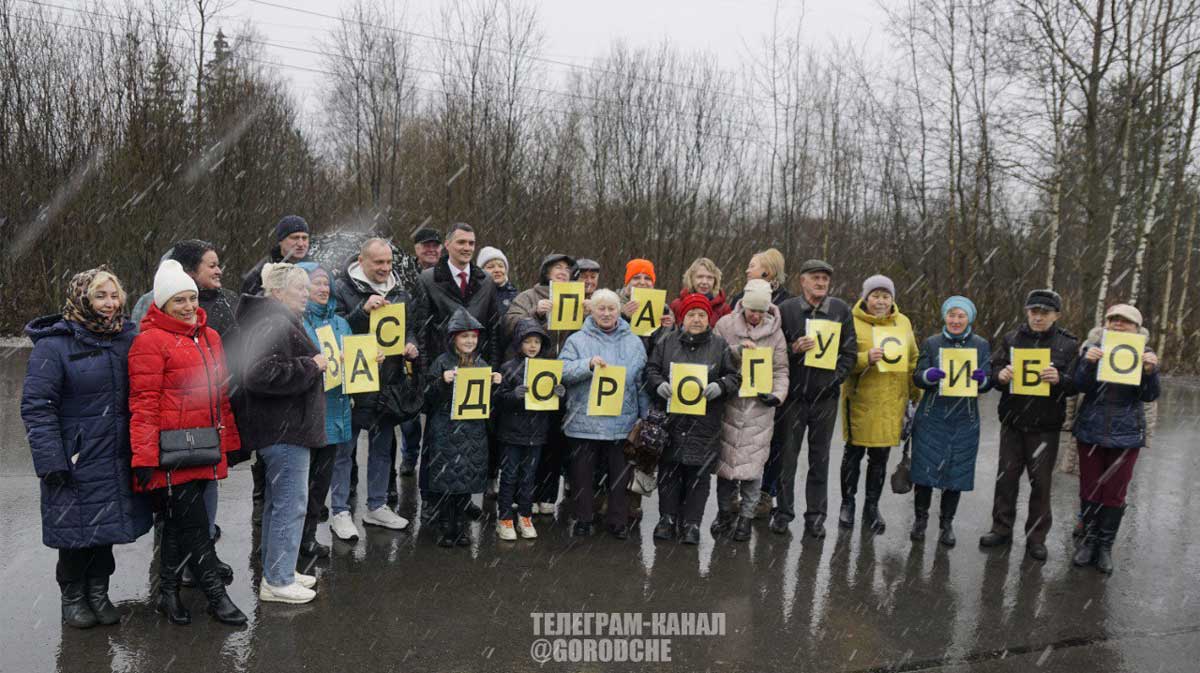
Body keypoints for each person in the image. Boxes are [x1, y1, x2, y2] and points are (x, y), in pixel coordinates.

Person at [21, 267, 153, 629]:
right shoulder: (54, 345)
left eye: (114, 295)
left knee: (105, 530)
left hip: (116, 454)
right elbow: (37, 406)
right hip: (75, 457)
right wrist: (51, 459)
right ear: (82, 298)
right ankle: (73, 597)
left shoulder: (127, 338)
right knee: (74, 534)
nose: (110, 304)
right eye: (100, 296)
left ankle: (99, 592)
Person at [128, 260, 246, 625]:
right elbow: (144, 403)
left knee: (178, 526)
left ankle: (167, 593)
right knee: (196, 527)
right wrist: (144, 457)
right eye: (178, 300)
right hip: (171, 453)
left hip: (205, 446)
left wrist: (229, 442)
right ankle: (216, 596)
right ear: (162, 303)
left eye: (192, 298)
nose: (188, 306)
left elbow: (220, 397)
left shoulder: (210, 337)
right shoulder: (149, 342)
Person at [231, 263, 327, 604]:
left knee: (280, 504)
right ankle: (278, 580)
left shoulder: (275, 319)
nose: (306, 294)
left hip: (284, 430)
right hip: (284, 431)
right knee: (289, 504)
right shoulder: (273, 321)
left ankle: (279, 568)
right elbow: (258, 373)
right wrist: (311, 365)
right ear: (277, 292)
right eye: (299, 288)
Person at [979, 289, 1079, 561]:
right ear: (1027, 312)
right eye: (1034, 311)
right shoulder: (1011, 338)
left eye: (1045, 313)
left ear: (1056, 315)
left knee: (1041, 484)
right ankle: (1001, 529)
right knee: (1006, 479)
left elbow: (1077, 384)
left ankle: (1036, 538)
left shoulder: (1068, 344)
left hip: (1045, 426)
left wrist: (1060, 379)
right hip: (1013, 422)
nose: (1038, 317)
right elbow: (992, 372)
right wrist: (1000, 375)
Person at [333, 237, 423, 532]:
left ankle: (377, 506)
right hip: (355, 382)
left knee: (382, 449)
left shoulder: (401, 293)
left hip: (389, 384)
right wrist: (362, 312)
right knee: (344, 451)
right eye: (379, 262)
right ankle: (340, 511)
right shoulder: (342, 289)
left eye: (389, 262)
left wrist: (411, 345)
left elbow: (409, 328)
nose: (385, 268)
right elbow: (335, 330)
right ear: (362, 261)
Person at [770, 259, 857, 539]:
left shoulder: (840, 310)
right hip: (793, 398)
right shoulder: (787, 310)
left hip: (825, 400)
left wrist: (834, 380)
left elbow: (850, 353)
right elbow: (774, 352)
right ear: (802, 280)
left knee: (820, 460)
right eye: (816, 278)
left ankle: (816, 516)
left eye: (825, 279)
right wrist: (794, 349)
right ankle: (783, 513)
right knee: (787, 459)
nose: (821, 283)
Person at [1071, 304, 1160, 574]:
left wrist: (1150, 372)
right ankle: (1088, 541)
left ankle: (1105, 546)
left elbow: (1149, 395)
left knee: (1115, 492)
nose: (1118, 325)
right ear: (1106, 323)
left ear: (1137, 328)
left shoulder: (1144, 353)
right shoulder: (1091, 348)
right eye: (1113, 320)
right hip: (1091, 429)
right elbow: (1078, 386)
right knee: (1090, 488)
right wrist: (1087, 364)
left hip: (1126, 434)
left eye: (1125, 321)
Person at [645, 293, 741, 545]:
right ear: (682, 318)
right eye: (691, 315)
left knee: (698, 477)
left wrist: (721, 386)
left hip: (705, 423)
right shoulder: (666, 342)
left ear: (708, 319)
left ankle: (692, 523)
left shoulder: (719, 345)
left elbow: (734, 377)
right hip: (671, 421)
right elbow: (651, 370)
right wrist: (658, 384)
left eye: (701, 315)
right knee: (669, 473)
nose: (696, 319)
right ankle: (667, 519)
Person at [559, 289, 650, 538]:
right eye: (601, 308)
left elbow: (641, 383)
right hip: (584, 420)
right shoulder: (576, 340)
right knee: (582, 475)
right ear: (592, 311)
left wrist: (645, 416)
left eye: (611, 309)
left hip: (622, 420)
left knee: (620, 476)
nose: (607, 313)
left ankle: (618, 521)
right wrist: (587, 364)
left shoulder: (634, 342)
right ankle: (583, 518)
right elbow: (562, 371)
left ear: (619, 311)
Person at [838, 275, 920, 535]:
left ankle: (871, 507)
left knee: (880, 459)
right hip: (861, 400)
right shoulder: (851, 322)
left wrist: (916, 392)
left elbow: (913, 358)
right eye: (875, 296)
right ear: (865, 298)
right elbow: (841, 360)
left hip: (892, 402)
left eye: (886, 296)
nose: (881, 301)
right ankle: (848, 503)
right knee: (853, 455)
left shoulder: (903, 322)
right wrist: (865, 358)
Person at [909, 296, 993, 548]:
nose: (956, 320)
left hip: (964, 418)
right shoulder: (932, 343)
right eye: (952, 315)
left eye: (961, 316)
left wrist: (982, 379)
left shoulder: (981, 345)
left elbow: (988, 381)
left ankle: (947, 524)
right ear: (945, 317)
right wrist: (928, 375)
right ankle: (920, 520)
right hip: (932, 416)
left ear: (969, 319)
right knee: (924, 472)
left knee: (956, 473)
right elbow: (917, 376)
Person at [711, 279, 789, 542]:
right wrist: (735, 352)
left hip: (759, 410)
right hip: (729, 406)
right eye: (752, 310)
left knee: (754, 470)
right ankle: (724, 513)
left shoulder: (775, 334)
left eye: (761, 311)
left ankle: (745, 517)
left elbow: (781, 370)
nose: (756, 315)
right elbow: (714, 357)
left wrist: (777, 395)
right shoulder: (725, 326)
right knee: (725, 468)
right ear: (743, 305)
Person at [504, 253, 576, 515]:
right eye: (557, 267)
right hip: (530, 374)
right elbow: (509, 323)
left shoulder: (576, 297)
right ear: (546, 271)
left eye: (567, 268)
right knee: (526, 440)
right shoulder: (528, 296)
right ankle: (522, 496)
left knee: (554, 439)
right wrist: (535, 313)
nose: (562, 271)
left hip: (560, 377)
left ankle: (547, 495)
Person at [424, 309, 502, 547]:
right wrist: (441, 381)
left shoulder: (481, 364)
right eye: (464, 336)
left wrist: (495, 385)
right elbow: (426, 398)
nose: (470, 341)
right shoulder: (441, 362)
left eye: (474, 337)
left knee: (465, 480)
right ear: (453, 338)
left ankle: (460, 526)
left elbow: (489, 403)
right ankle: (446, 526)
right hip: (446, 430)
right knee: (447, 481)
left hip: (472, 431)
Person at [298, 263, 355, 554]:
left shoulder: (341, 323)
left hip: (336, 411)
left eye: (326, 283)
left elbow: (355, 362)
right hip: (308, 413)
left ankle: (307, 536)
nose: (323, 289)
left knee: (320, 483)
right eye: (316, 283)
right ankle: (289, 538)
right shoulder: (296, 322)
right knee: (299, 484)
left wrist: (370, 359)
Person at [493, 319, 566, 540]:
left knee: (529, 477)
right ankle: (505, 518)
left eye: (537, 342)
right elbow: (497, 400)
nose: (533, 346)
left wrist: (561, 394)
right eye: (527, 341)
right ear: (519, 343)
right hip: (511, 433)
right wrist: (512, 396)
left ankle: (525, 515)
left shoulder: (548, 367)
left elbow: (555, 406)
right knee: (509, 476)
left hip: (537, 433)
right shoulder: (508, 367)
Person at [241, 215, 312, 296]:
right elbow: (250, 301)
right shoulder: (262, 273)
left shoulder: (316, 269)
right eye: (295, 238)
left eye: (304, 238)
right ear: (281, 241)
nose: (300, 244)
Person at [669, 257, 731, 327]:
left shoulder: (724, 309)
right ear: (691, 278)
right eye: (700, 277)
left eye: (709, 278)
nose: (704, 282)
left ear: (715, 281)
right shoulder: (676, 305)